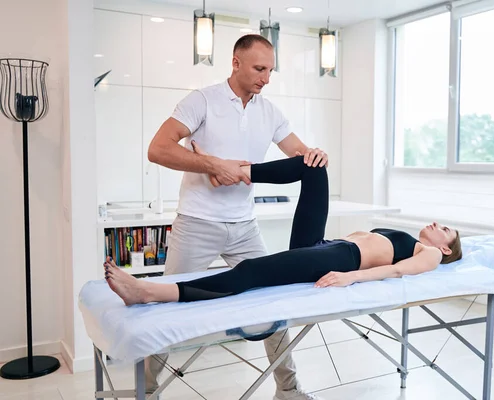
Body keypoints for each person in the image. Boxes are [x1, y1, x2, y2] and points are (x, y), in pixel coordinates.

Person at [145, 34, 329, 400]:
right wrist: (212, 163)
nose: (266, 78)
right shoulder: (202, 101)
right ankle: (146, 391)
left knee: (273, 302)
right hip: (197, 224)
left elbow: (297, 152)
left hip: (245, 227)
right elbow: (157, 149)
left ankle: (288, 390)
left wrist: (314, 154)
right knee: (163, 307)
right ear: (236, 63)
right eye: (260, 68)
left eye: (271, 70)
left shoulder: (269, 112)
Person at [104, 155, 463, 306]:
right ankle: (240, 170)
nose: (436, 224)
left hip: (340, 258)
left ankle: (149, 292)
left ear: (446, 248)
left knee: (250, 270)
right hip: (327, 246)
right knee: (313, 166)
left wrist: (352, 278)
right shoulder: (415, 240)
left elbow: (398, 270)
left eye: (444, 229)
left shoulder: (429, 254)